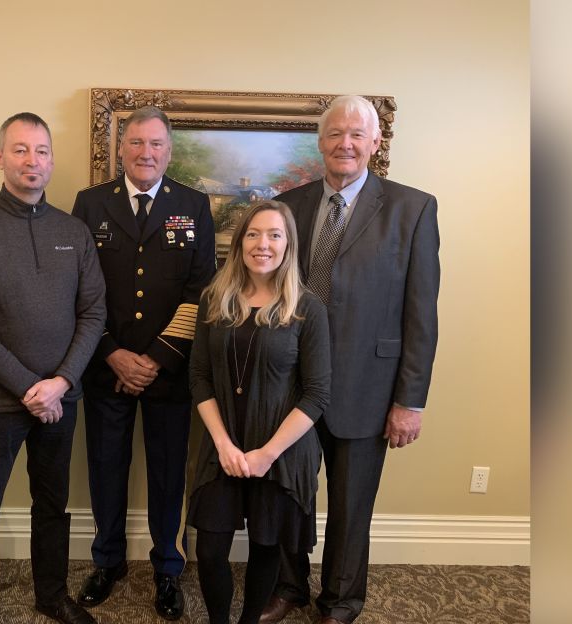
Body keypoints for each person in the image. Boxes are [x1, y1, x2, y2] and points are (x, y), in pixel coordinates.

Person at [260, 95, 440, 624]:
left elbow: (421, 314)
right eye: (336, 134)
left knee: (350, 503)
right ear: (321, 143)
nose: (345, 144)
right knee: (288, 494)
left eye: (357, 135)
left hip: (369, 383)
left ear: (375, 143)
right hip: (291, 382)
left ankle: (340, 601)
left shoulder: (413, 209)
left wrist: (410, 400)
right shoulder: (287, 207)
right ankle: (289, 586)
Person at [0, 112, 107, 624]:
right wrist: (28, 387)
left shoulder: (74, 231)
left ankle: (51, 595)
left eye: (40, 151)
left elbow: (94, 312)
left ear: (52, 160)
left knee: (52, 505)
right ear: (0, 157)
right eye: (19, 150)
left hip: (61, 399)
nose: (31, 161)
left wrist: (60, 383)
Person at [70, 105, 215, 620]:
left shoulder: (193, 205)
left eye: (156, 144)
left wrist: (155, 358)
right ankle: (106, 561)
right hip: (107, 364)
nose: (146, 153)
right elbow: (79, 288)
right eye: (136, 143)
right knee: (106, 468)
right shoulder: (89, 205)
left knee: (167, 472)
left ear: (169, 151)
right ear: (122, 149)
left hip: (168, 369)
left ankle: (167, 568)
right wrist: (113, 353)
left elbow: (200, 290)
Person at [187, 200, 331, 624]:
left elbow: (317, 394)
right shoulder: (214, 300)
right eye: (253, 234)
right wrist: (224, 444)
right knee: (209, 549)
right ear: (239, 242)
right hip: (224, 447)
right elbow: (199, 377)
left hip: (280, 453)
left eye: (274, 235)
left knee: (266, 547)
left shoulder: (307, 309)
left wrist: (266, 454)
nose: (262, 244)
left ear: (288, 244)